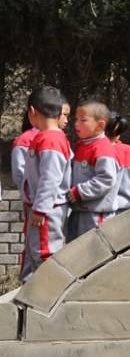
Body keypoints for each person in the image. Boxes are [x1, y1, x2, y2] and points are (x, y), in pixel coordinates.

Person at [20, 86, 72, 282]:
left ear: (32, 112)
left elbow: (50, 178)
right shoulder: (46, 137)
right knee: (36, 254)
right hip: (40, 210)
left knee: (45, 255)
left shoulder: (51, 139)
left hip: (47, 212)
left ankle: (47, 302)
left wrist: (41, 209)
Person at [67, 100, 120, 242]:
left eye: (83, 120)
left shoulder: (102, 148)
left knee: (94, 253)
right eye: (76, 119)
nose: (77, 124)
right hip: (79, 211)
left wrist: (80, 191)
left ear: (100, 125)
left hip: (97, 214)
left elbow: (107, 179)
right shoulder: (81, 145)